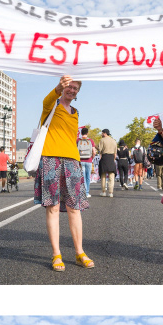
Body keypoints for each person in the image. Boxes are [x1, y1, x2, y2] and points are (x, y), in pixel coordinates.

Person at [34, 75, 94, 271]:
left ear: (78, 92)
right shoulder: (51, 106)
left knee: (74, 208)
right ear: (63, 87)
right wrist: (59, 87)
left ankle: (79, 252)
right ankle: (56, 254)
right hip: (50, 159)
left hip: (72, 162)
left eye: (76, 88)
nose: (72, 90)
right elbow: (47, 100)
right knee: (53, 208)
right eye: (69, 87)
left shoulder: (75, 112)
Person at [97, 129, 118, 198]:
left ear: (105, 133)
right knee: (111, 176)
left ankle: (103, 192)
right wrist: (113, 159)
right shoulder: (114, 141)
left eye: (102, 133)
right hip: (111, 158)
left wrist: (95, 146)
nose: (101, 134)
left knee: (103, 176)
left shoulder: (102, 140)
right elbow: (115, 153)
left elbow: (100, 149)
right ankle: (111, 192)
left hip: (104, 158)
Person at [77, 127, 97, 197]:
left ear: (81, 133)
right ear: (87, 133)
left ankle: (83, 192)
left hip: (81, 160)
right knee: (88, 177)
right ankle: (87, 192)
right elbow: (94, 152)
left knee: (82, 177)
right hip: (88, 160)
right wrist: (92, 158)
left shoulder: (78, 140)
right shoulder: (91, 141)